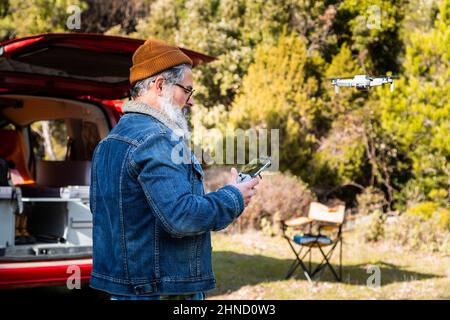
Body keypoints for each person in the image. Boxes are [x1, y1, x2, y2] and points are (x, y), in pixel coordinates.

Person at [90, 38, 259, 300]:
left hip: (127, 289)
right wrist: (234, 196)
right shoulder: (157, 139)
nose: (190, 102)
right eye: (187, 90)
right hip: (161, 290)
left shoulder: (107, 144)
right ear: (160, 86)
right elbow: (182, 217)